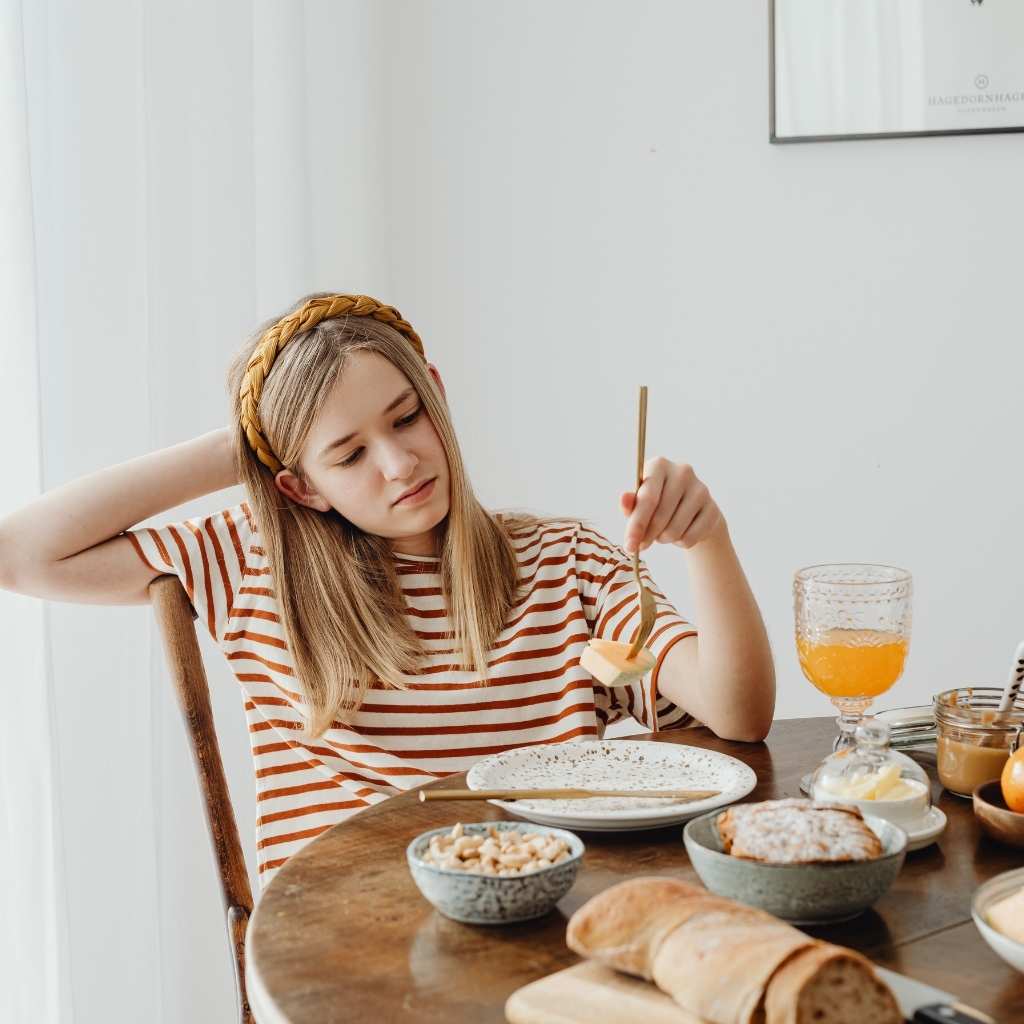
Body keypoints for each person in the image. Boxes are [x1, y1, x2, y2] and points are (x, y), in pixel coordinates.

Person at [0, 292, 775, 886]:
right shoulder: (250, 566)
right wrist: (248, 437)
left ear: (435, 394)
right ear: (299, 488)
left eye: (407, 418)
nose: (400, 463)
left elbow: (738, 715)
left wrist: (707, 542)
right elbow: (20, 555)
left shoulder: (565, 561)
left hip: (539, 923)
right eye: (348, 453)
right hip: (342, 947)